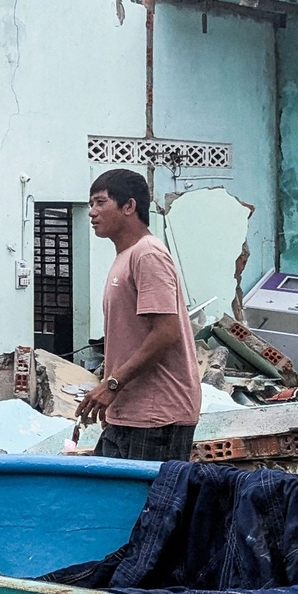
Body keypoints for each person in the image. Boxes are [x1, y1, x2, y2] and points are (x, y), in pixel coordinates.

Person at [73, 168, 201, 461]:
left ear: (129, 206)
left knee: (145, 493)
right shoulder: (125, 256)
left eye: (100, 202)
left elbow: (166, 332)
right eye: (91, 204)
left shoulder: (148, 254)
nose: (92, 212)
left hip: (157, 416)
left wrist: (112, 384)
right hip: (129, 412)